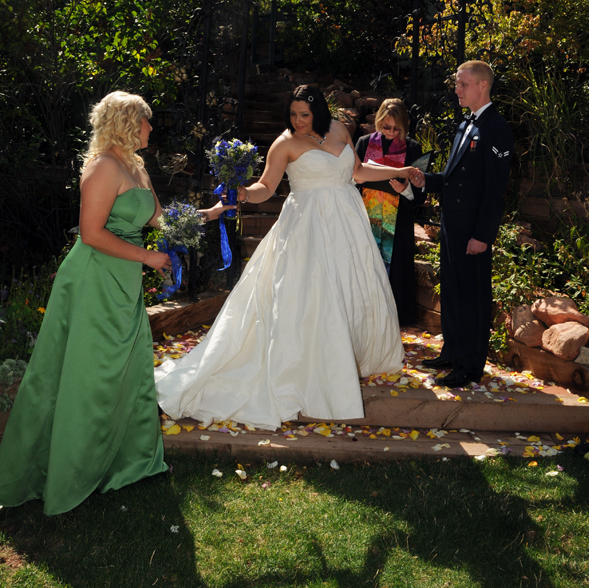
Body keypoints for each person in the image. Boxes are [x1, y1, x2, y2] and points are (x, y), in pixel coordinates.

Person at [0, 90, 229, 516]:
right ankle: (68, 471)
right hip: (92, 279)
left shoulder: (135, 167)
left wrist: (214, 213)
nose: (151, 128)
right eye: (146, 121)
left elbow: (162, 220)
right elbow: (90, 234)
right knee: (90, 374)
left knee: (127, 367)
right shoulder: (103, 168)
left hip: (121, 280)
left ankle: (127, 463)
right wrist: (148, 256)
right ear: (128, 122)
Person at [155, 85, 422, 430]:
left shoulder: (340, 130)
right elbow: (266, 186)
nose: (297, 121)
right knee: (313, 296)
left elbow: (357, 172)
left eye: (304, 114)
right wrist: (243, 193)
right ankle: (307, 370)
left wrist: (396, 172)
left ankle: (346, 358)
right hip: (306, 227)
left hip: (348, 225)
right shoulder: (284, 143)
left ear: (319, 112)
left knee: (352, 289)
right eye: (293, 114)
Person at [410, 61, 513, 388]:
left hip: (472, 232)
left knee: (473, 298)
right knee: (453, 293)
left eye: (462, 84)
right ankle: (452, 353)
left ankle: (469, 366)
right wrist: (423, 179)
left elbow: (495, 189)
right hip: (452, 227)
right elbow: (453, 180)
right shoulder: (464, 125)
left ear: (482, 85)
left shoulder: (496, 128)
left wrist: (483, 235)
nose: (456, 89)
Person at [354, 98, 425, 325]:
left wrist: (405, 190)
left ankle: (393, 325)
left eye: (397, 128)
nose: (392, 132)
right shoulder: (364, 143)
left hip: (398, 221)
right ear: (379, 122)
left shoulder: (413, 148)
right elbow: (350, 177)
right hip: (365, 218)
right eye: (387, 127)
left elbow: (420, 193)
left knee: (397, 275)